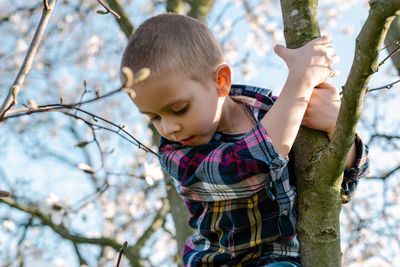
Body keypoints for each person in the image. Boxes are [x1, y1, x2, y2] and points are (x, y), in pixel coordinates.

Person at [120, 13, 369, 266]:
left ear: (221, 82)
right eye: (154, 117)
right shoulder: (177, 156)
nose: (169, 128)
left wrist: (336, 128)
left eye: (179, 109)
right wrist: (300, 82)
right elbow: (250, 166)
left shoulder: (272, 113)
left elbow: (339, 186)